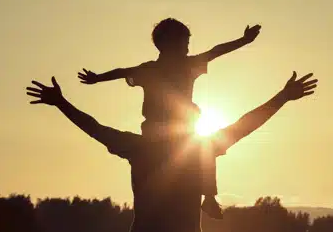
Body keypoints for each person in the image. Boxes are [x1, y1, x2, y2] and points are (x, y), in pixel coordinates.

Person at [26, 71, 317, 232]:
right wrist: (282, 97)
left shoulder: (139, 148)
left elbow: (95, 128)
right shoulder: (197, 149)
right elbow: (244, 125)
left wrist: (61, 103)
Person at [77, 18, 262, 219]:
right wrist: (97, 78)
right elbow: (123, 72)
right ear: (166, 44)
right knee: (205, 145)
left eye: (187, 44)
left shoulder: (168, 67)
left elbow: (216, 51)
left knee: (205, 145)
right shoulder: (154, 69)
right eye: (184, 44)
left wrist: (243, 41)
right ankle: (208, 197)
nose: (187, 48)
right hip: (157, 132)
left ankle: (208, 198)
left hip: (180, 130)